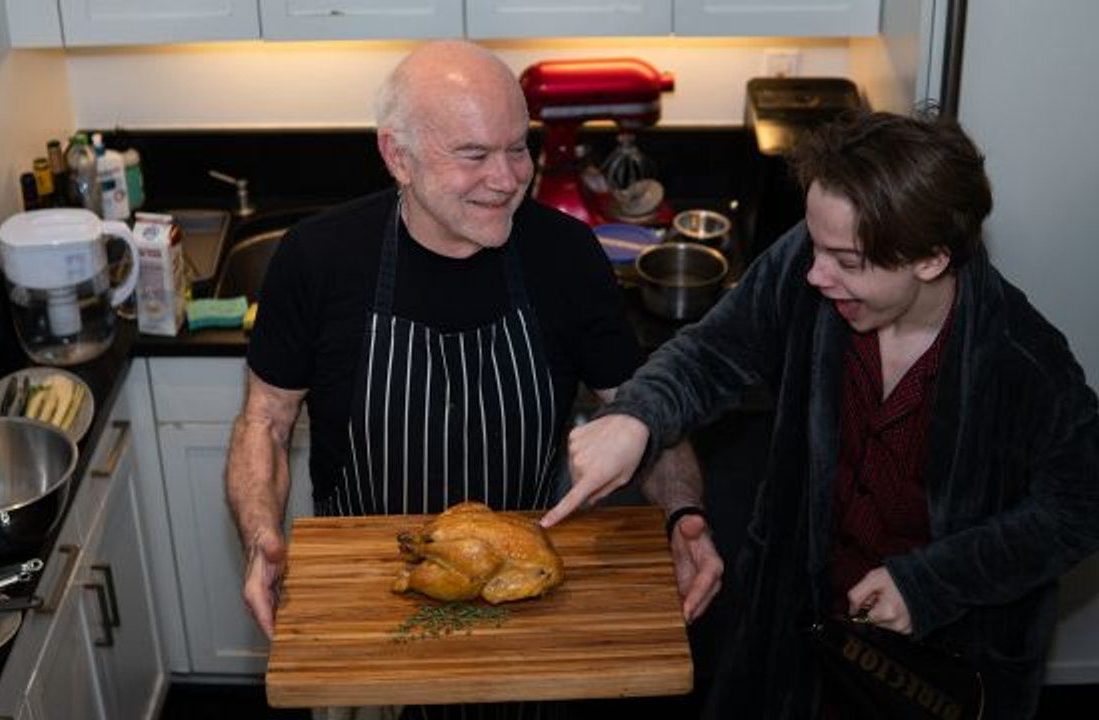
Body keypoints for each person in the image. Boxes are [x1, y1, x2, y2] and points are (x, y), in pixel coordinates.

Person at [543, 109, 1099, 719]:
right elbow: (712, 352)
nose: (815, 273)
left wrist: (931, 584)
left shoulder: (1022, 361)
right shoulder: (808, 268)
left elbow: (1081, 505)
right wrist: (638, 418)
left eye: (847, 262)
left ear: (931, 260)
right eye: (815, 244)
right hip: (792, 630)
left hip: (940, 668)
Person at [224, 40, 716, 718]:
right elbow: (264, 422)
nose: (508, 177)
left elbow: (643, 414)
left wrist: (685, 513)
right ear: (398, 155)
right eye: (474, 155)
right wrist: (260, 537)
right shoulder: (318, 258)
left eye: (519, 148)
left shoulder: (565, 256)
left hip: (520, 605)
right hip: (371, 599)